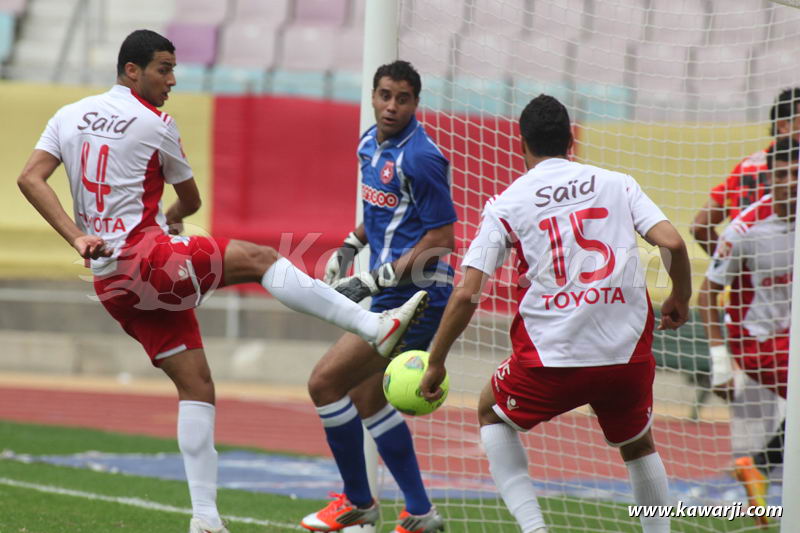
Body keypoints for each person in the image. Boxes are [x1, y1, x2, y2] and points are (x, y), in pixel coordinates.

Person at [16, 31, 428, 533]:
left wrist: (78, 236)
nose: (172, 79)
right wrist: (173, 217)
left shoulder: (68, 115)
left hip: (111, 282)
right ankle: (373, 325)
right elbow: (191, 202)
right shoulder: (155, 123)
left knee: (197, 386)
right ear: (132, 70)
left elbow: (30, 177)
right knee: (260, 258)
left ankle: (206, 520)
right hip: (147, 261)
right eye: (164, 68)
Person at [419, 94, 692, 533]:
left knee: (490, 412)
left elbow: (467, 292)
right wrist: (680, 295)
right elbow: (673, 243)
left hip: (552, 359)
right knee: (639, 445)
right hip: (625, 354)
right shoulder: (618, 183)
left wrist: (436, 361)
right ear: (570, 140)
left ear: (521, 143)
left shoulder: (508, 203)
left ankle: (535, 528)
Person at [300, 60, 455, 533]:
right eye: (385, 95)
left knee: (324, 383)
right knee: (367, 396)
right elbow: (381, 211)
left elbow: (442, 239)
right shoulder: (369, 142)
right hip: (392, 292)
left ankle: (358, 502)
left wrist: (374, 279)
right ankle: (420, 512)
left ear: (415, 103)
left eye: (402, 99)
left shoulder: (422, 157)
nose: (391, 106)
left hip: (420, 296)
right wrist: (350, 246)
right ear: (372, 96)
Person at [698, 139, 798, 524]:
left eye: (796, 174)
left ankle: (758, 467)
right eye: (782, 175)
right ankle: (762, 465)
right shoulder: (744, 230)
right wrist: (720, 362)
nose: (790, 182)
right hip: (755, 340)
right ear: (769, 178)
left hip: (790, 334)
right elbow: (707, 295)